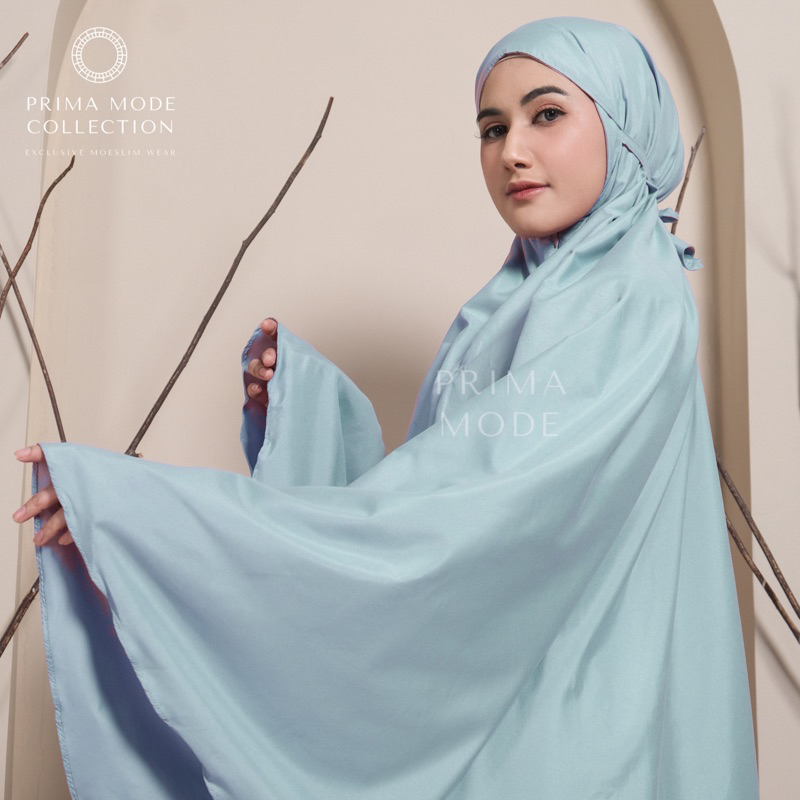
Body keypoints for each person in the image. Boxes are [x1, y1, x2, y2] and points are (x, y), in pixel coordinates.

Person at [12, 16, 759, 799]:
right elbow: (449, 490)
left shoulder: (628, 298)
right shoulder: (511, 303)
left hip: (581, 725)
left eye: (547, 115)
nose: (512, 150)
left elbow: (477, 511)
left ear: (626, 125)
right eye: (492, 128)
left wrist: (140, 514)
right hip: (516, 709)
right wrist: (307, 411)